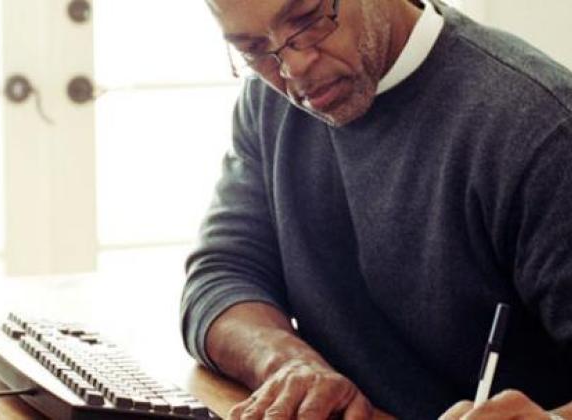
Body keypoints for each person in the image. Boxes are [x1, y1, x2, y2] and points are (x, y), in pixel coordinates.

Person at [180, 0, 572, 418]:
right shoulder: (269, 100)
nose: (292, 69)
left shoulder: (542, 132)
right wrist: (289, 365)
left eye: (309, 20)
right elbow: (222, 276)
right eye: (254, 49)